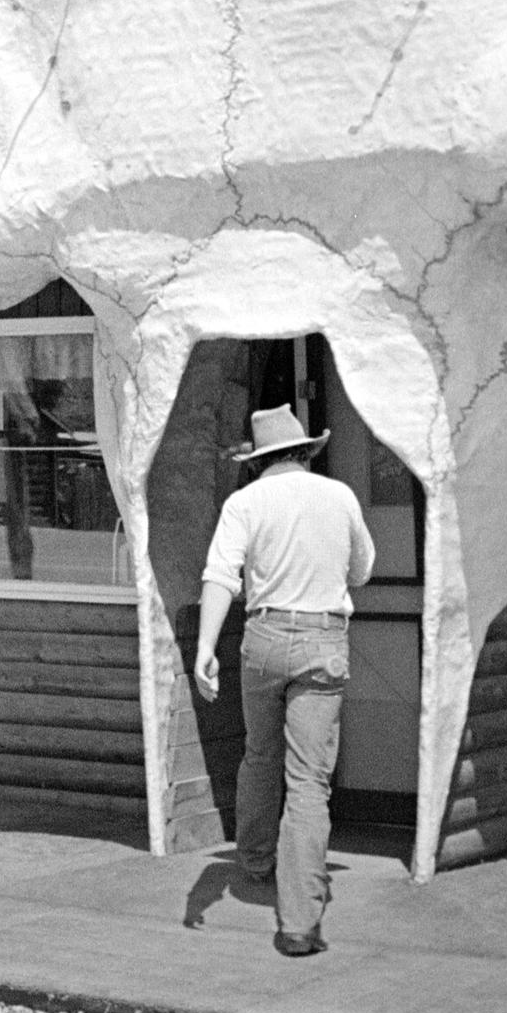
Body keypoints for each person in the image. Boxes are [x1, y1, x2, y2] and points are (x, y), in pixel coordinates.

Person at [191, 404, 374, 956]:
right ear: (303, 452)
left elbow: (220, 573)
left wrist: (204, 646)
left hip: (264, 638)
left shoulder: (243, 503)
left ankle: (253, 862)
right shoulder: (339, 496)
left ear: (257, 460)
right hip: (322, 638)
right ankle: (298, 923)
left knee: (259, 755)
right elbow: (363, 569)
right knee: (308, 782)